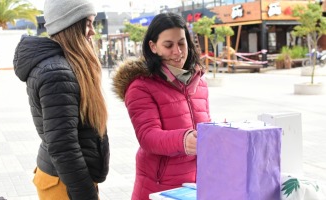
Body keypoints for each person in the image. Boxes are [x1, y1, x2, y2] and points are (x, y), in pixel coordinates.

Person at [13, 0, 109, 199]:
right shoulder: (57, 72)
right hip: (65, 183)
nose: (92, 31)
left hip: (67, 178)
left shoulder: (62, 64)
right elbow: (63, 146)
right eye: (88, 23)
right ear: (71, 25)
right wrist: (86, 195)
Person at [112, 12, 211, 200]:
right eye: (168, 45)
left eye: (182, 43)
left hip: (194, 187)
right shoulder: (140, 87)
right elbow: (148, 137)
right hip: (158, 189)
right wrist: (184, 140)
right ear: (153, 46)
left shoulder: (200, 83)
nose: (177, 51)